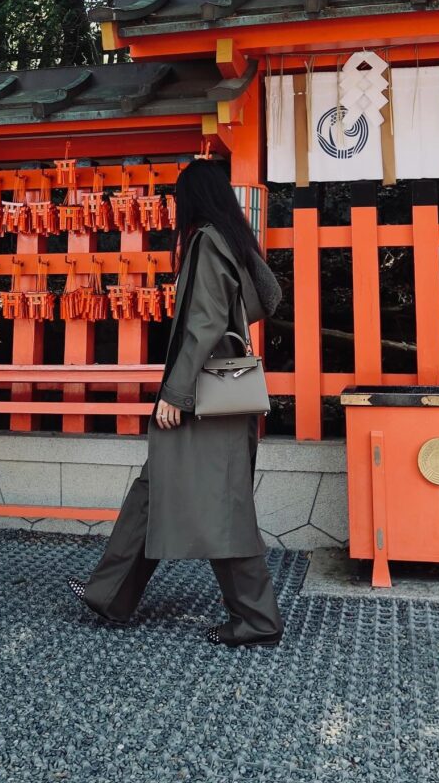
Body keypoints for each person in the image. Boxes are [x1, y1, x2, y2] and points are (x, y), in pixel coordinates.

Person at [66, 157, 284, 648]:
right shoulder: (233, 240)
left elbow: (204, 324)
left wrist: (175, 393)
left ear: (192, 200)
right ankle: (111, 595)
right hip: (220, 396)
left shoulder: (207, 241)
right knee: (155, 487)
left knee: (221, 505)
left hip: (204, 398)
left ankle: (258, 621)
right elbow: (267, 297)